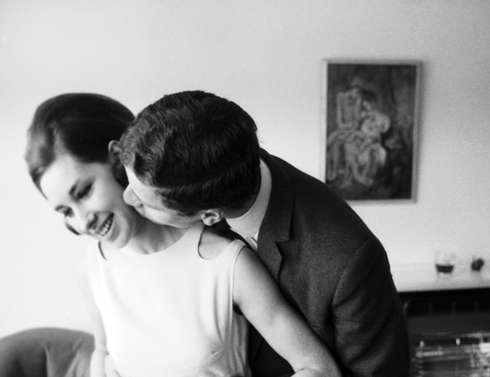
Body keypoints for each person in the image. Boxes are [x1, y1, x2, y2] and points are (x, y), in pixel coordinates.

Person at [24, 93, 341, 377]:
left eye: (83, 192)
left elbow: (317, 367)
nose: (83, 222)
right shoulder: (92, 267)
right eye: (65, 211)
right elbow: (104, 351)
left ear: (119, 158)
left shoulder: (226, 263)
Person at [116, 91, 410, 377]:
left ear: (209, 215)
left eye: (145, 201)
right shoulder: (211, 174)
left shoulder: (347, 261)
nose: (127, 198)